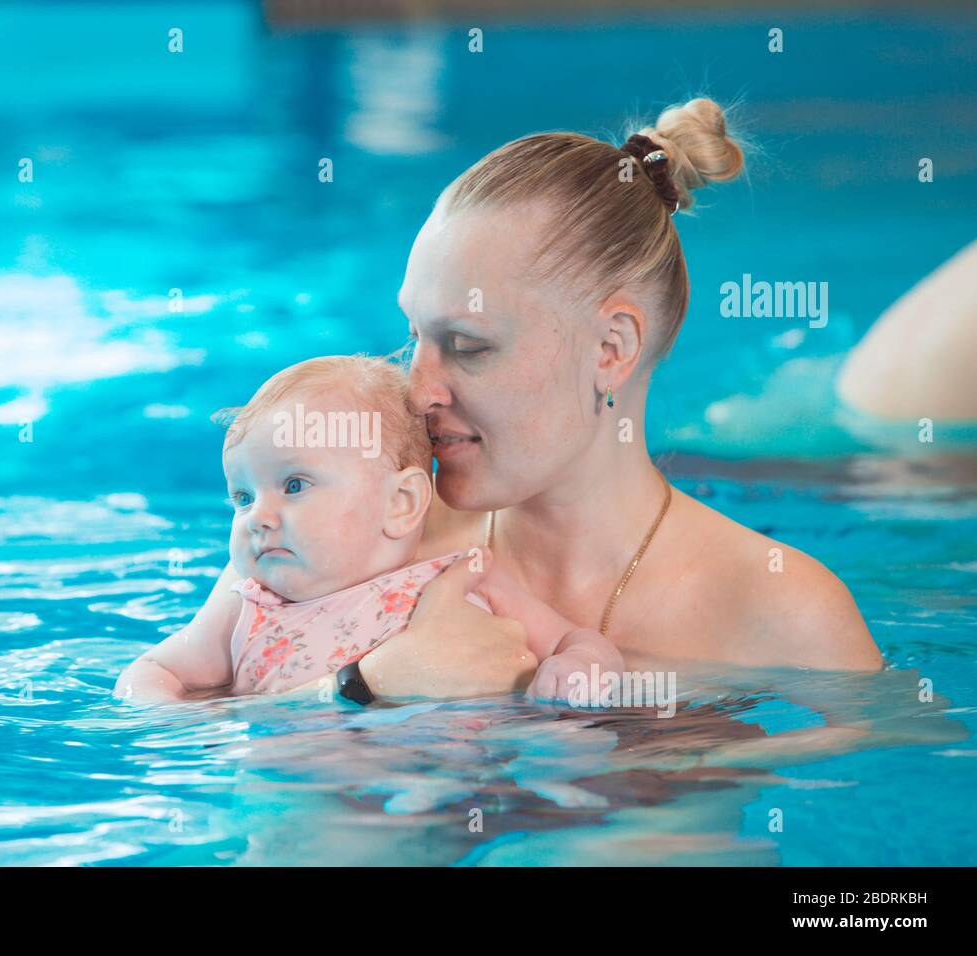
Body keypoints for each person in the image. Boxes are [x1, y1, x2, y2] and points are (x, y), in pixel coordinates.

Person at [351, 97, 883, 700]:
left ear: (611, 349)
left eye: (467, 345)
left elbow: (895, 767)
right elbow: (228, 743)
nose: (417, 390)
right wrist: (366, 685)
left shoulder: (781, 612)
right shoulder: (352, 532)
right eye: (414, 335)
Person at [113, 355, 619, 702]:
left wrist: (576, 669)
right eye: (242, 497)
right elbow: (151, 672)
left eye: (294, 485)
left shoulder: (459, 579)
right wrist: (173, 721)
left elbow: (580, 645)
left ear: (400, 503)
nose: (257, 518)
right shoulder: (250, 602)